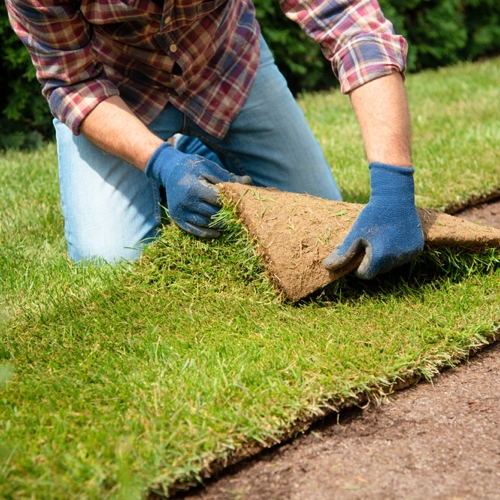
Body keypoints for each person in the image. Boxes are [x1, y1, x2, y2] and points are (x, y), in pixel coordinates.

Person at [6, 0, 423, 279]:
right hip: (116, 92)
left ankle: (196, 152)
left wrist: (393, 187)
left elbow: (350, 19)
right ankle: (167, 163)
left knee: (321, 230)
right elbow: (73, 82)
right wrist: (159, 163)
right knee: (111, 262)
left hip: (224, 65)